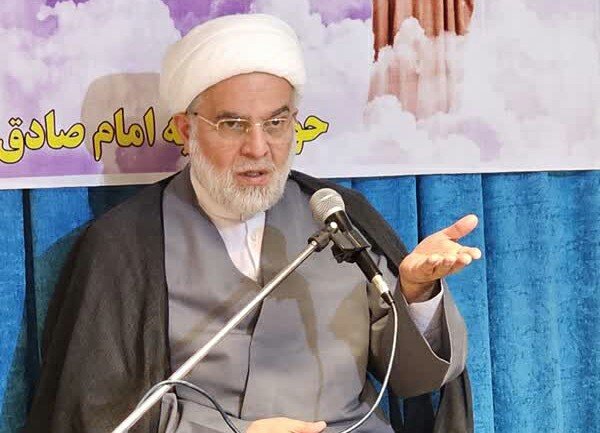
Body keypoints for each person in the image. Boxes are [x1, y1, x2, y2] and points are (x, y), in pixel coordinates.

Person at [24, 13, 480, 433]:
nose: (258, 148)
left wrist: (416, 295)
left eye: (276, 123)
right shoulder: (126, 243)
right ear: (186, 130)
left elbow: (411, 380)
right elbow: (96, 406)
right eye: (233, 125)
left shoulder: (339, 216)